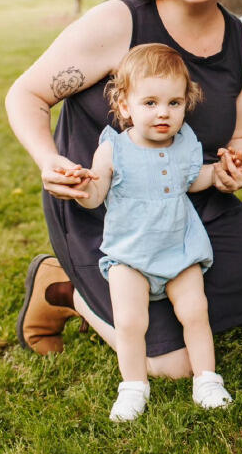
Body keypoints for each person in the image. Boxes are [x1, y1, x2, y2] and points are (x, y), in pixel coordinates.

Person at [8, 0, 242, 381]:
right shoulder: (120, 22)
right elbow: (26, 95)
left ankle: (160, 299)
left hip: (188, 203)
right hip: (105, 210)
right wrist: (48, 160)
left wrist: (238, 164)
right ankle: (64, 289)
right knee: (172, 365)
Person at [69, 43, 232, 419]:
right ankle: (133, 387)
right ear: (125, 105)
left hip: (179, 249)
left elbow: (191, 180)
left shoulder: (185, 142)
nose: (163, 112)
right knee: (130, 322)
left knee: (195, 312)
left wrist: (218, 174)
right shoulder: (113, 148)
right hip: (130, 254)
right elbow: (96, 194)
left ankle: (207, 380)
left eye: (174, 103)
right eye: (150, 103)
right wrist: (83, 188)